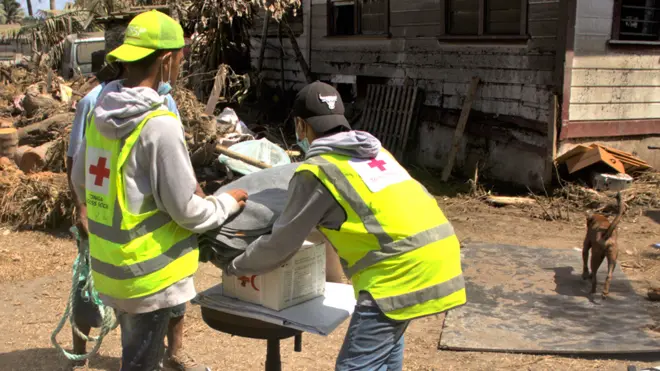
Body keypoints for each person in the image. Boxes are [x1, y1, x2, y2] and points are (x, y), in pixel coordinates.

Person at [225, 81, 466, 370]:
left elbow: (282, 244)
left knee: (355, 366)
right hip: (440, 255)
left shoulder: (317, 172)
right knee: (388, 348)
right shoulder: (376, 154)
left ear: (301, 125)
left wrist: (236, 265)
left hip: (397, 274)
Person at [71, 10, 248, 371]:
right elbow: (187, 210)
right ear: (166, 61)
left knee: (135, 354)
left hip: (112, 269)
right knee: (140, 364)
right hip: (149, 278)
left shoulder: (99, 113)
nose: (182, 65)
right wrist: (226, 203)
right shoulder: (158, 125)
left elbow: (80, 179)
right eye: (181, 58)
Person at [65, 38, 198, 371]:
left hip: (150, 239)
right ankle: (79, 351)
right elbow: (77, 164)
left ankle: (174, 351)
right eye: (179, 59)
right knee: (91, 292)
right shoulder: (94, 105)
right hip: (118, 232)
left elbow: (174, 159)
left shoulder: (165, 102)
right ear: (165, 60)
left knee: (147, 324)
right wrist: (83, 207)